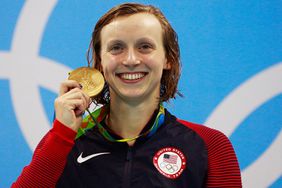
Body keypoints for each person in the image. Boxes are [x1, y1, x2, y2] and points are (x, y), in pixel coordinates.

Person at [12, 3, 242, 188]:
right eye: (116, 48)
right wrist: (61, 135)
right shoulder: (63, 142)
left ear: (167, 59)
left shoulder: (210, 145)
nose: (131, 60)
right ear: (100, 63)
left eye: (145, 47)